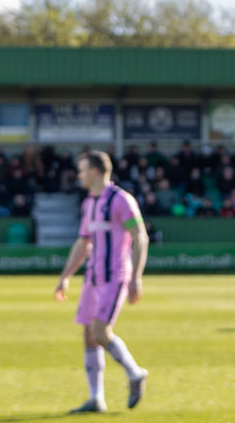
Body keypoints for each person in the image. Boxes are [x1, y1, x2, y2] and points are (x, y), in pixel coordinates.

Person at [53, 151, 149, 413]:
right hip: (92, 278)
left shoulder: (121, 200)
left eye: (82, 170)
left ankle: (135, 372)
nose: (79, 175)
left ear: (94, 171)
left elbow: (140, 236)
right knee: (88, 335)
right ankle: (96, 399)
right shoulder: (89, 203)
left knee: (99, 332)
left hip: (114, 277)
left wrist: (136, 277)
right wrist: (65, 277)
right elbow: (84, 243)